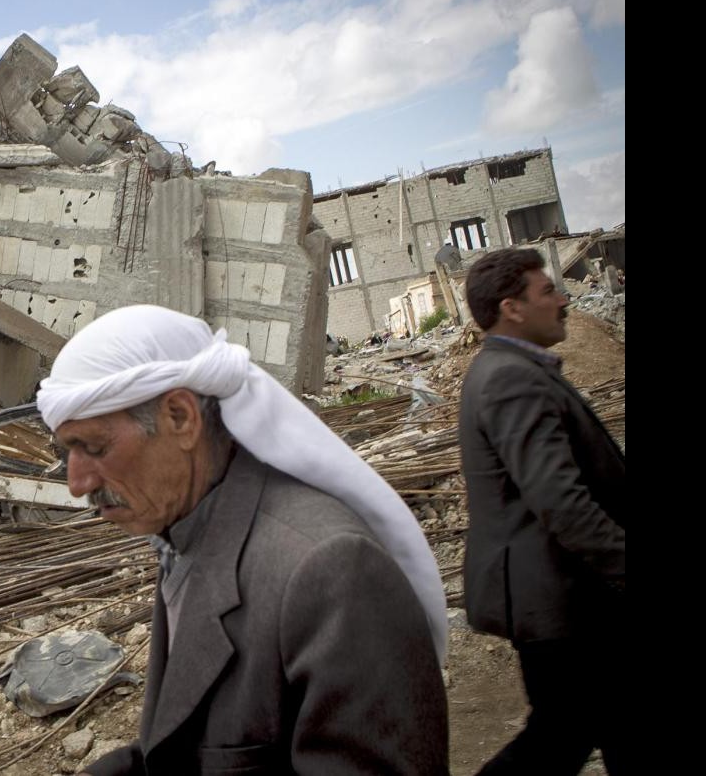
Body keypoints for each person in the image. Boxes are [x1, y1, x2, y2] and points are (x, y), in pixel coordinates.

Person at [36, 305, 448, 775]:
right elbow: (197, 740)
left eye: (94, 448)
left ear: (180, 417)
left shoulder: (328, 570)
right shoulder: (188, 530)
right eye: (67, 451)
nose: (77, 483)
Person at [457, 249, 625, 775]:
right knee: (561, 734)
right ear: (512, 308)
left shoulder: (510, 368)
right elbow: (561, 501)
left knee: (589, 723)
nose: (564, 299)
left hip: (564, 591)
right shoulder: (511, 378)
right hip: (558, 595)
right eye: (548, 290)